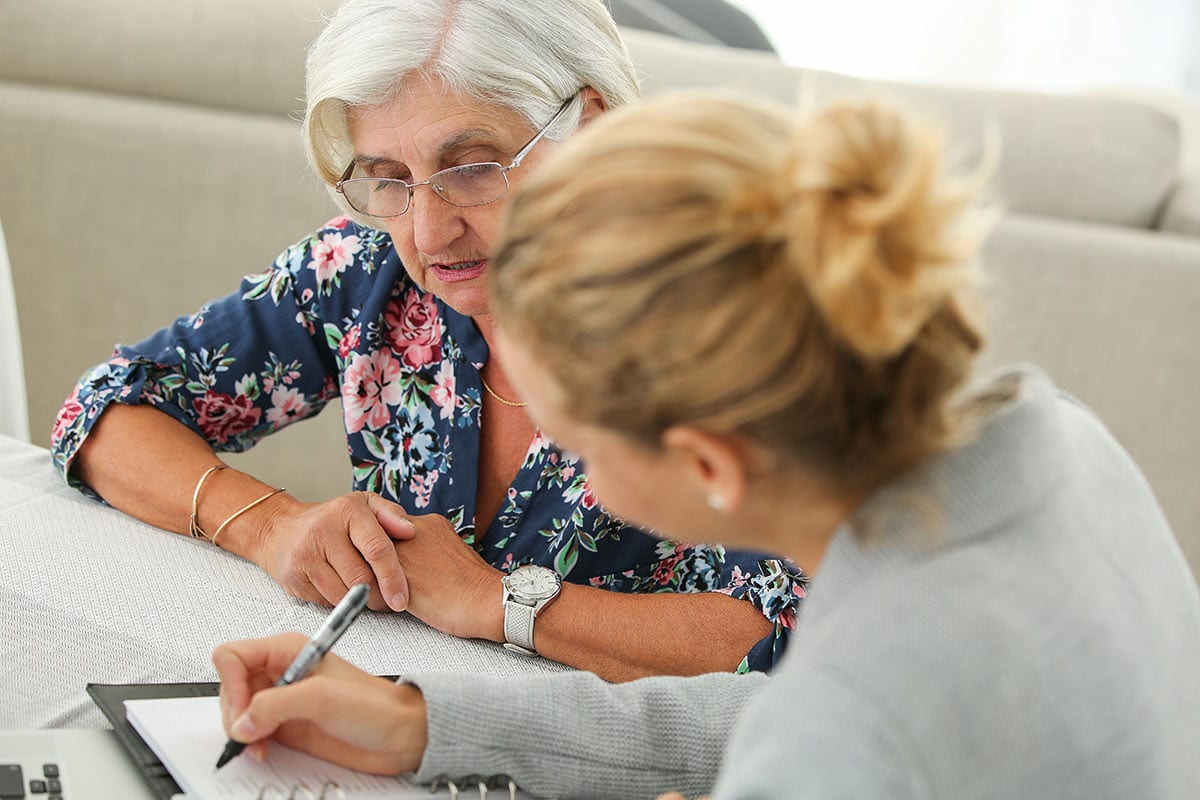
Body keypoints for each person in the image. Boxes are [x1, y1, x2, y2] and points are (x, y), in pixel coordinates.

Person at [212, 93, 1200, 799]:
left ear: (709, 465)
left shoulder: (858, 719)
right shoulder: (1055, 438)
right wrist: (427, 723)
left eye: (582, 442)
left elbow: (844, 723)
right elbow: (798, 708)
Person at [49, 0, 805, 680]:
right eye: (388, 178)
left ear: (593, 127)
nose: (427, 231)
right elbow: (106, 411)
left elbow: (794, 633)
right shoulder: (367, 270)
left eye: (472, 169)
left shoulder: (725, 313)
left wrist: (494, 603)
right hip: (410, 732)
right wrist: (274, 527)